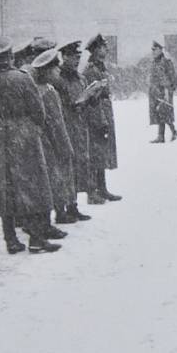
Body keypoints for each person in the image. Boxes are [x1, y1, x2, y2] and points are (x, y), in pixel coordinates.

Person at [0, 37, 60, 254]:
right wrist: (31, 127)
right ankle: (36, 239)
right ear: (9, 56)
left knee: (6, 188)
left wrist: (1, 129)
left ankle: (11, 240)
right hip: (25, 136)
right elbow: (38, 111)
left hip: (1, 137)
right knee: (34, 186)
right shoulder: (22, 79)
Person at [31, 48, 76, 234]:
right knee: (53, 180)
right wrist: (66, 147)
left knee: (41, 182)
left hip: (37, 141)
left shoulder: (34, 88)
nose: (59, 71)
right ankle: (48, 223)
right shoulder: (49, 92)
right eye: (55, 68)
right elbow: (57, 124)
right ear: (47, 71)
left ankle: (43, 222)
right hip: (50, 143)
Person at [53, 40, 92, 223]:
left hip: (78, 126)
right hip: (64, 127)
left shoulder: (79, 77)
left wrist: (90, 97)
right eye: (73, 58)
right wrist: (73, 105)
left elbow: (82, 98)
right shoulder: (57, 79)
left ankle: (73, 205)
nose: (77, 61)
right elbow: (56, 106)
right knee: (63, 169)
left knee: (77, 166)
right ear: (64, 57)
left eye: (78, 58)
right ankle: (61, 209)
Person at [83, 33, 122, 203]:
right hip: (96, 111)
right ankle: (93, 191)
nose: (106, 49)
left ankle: (102, 188)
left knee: (102, 149)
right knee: (95, 151)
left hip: (104, 109)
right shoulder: (92, 70)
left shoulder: (100, 67)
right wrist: (100, 118)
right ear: (97, 49)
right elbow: (93, 96)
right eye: (104, 47)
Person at [148, 40, 177, 143]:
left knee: (164, 112)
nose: (153, 52)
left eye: (155, 49)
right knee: (158, 112)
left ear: (160, 50)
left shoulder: (166, 61)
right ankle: (162, 136)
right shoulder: (154, 62)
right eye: (152, 50)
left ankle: (173, 132)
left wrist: (169, 89)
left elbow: (173, 76)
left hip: (164, 90)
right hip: (155, 91)